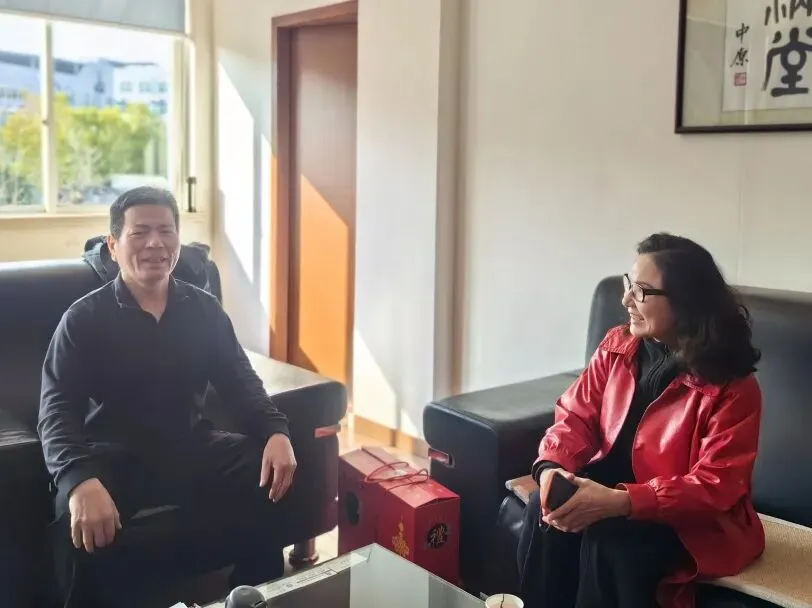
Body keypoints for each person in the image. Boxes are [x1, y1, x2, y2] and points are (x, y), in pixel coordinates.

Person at [37, 187, 298, 608]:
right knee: (76, 517)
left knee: (268, 470)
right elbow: (56, 410)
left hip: (189, 445)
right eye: (139, 232)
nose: (155, 243)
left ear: (178, 239)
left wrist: (276, 431)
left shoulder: (205, 311)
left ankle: (252, 594)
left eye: (165, 231)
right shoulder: (83, 319)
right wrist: (78, 479)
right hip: (114, 456)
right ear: (113, 245)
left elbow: (241, 383)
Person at [517, 233, 765, 608]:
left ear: (686, 301)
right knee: (545, 508)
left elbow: (716, 486)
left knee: (611, 541)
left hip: (691, 522)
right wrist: (552, 467)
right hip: (614, 492)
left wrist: (624, 502)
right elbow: (576, 416)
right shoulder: (617, 346)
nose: (626, 300)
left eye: (642, 291)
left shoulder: (732, 386)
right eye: (629, 284)